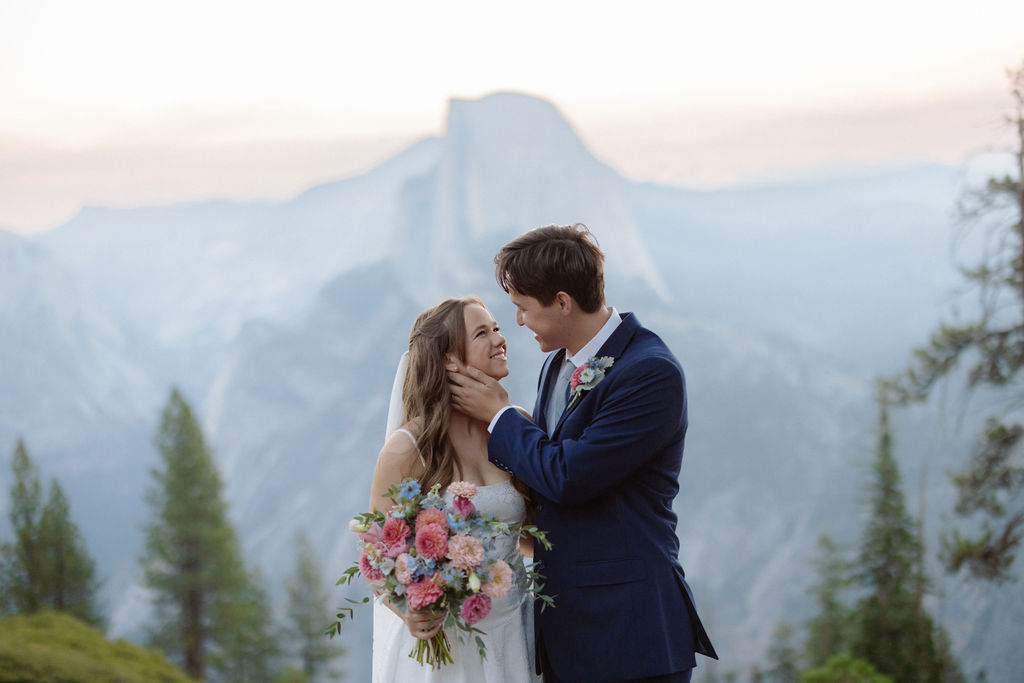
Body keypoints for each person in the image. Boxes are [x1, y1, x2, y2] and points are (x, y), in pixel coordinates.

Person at [448, 224, 718, 683]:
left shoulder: (649, 372)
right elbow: (544, 471)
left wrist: (499, 416)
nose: (517, 322)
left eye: (522, 308)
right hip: (566, 632)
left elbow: (570, 476)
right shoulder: (558, 363)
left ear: (562, 302)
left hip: (629, 633)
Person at [368, 295, 540, 683]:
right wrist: (409, 607)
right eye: (483, 332)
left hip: (513, 632)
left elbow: (530, 537)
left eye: (497, 328)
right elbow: (376, 553)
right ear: (449, 359)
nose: (500, 338)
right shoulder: (407, 450)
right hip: (444, 646)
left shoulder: (517, 426)